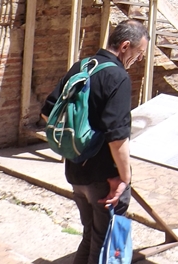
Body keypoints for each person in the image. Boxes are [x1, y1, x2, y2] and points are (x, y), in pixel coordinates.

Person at [42, 19, 148, 264]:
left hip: (76, 171)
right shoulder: (118, 77)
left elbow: (48, 112)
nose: (139, 59)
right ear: (125, 46)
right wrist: (124, 178)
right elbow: (117, 137)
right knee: (105, 243)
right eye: (139, 53)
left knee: (91, 235)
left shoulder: (82, 66)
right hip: (104, 179)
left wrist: (78, 143)